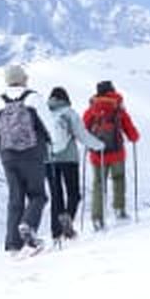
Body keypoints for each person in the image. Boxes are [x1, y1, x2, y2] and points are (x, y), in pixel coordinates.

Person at [0, 64, 53, 255]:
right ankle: (28, 225)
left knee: (15, 199)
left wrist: (2, 150)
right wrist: (51, 145)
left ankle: (13, 245)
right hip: (33, 154)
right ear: (23, 79)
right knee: (38, 195)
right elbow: (48, 126)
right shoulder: (33, 98)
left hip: (8, 156)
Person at [45, 87, 105, 243]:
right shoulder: (69, 112)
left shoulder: (43, 113)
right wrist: (98, 145)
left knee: (56, 196)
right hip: (69, 159)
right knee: (73, 194)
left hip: (48, 159)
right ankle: (68, 218)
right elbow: (82, 135)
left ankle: (56, 234)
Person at [83, 81, 140, 231]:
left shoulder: (92, 109)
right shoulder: (117, 106)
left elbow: (83, 128)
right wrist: (134, 137)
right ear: (112, 90)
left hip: (97, 154)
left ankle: (97, 218)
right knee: (119, 179)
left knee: (98, 184)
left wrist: (89, 144)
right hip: (117, 153)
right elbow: (129, 127)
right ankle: (119, 209)